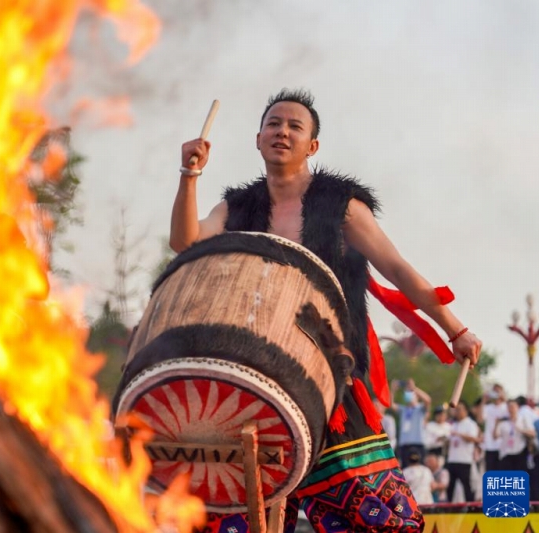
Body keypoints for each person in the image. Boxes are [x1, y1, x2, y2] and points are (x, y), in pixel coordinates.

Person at [171, 89, 483, 532]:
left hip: (331, 381)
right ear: (258, 139)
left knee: (379, 520)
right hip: (254, 381)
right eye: (273, 124)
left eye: (294, 126)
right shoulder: (237, 207)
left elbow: (398, 270)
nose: (282, 132)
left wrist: (455, 330)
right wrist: (190, 174)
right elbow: (185, 242)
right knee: (237, 519)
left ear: (312, 146)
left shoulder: (342, 207)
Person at [446, 400, 480, 502]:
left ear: (466, 410)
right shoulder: (453, 424)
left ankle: (471, 508)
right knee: (450, 487)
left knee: (467, 487)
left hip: (464, 460)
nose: (457, 412)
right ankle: (449, 508)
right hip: (452, 459)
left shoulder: (470, 424)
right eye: (456, 410)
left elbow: (473, 439)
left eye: (459, 409)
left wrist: (459, 434)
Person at [395, 379, 432, 468]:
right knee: (405, 470)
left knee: (419, 469)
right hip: (404, 445)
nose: (408, 395)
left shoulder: (420, 408)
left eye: (410, 393)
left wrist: (414, 388)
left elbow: (428, 400)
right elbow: (390, 404)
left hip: (418, 444)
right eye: (407, 393)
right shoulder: (403, 409)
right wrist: (393, 390)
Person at [494, 398, 535, 471]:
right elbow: (495, 436)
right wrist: (496, 424)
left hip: (520, 452)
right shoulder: (503, 421)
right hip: (506, 453)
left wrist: (521, 430)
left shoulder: (523, 420)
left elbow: (532, 433)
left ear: (518, 407)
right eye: (509, 407)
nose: (511, 409)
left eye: (513, 406)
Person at [482, 386, 508, 472]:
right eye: (494, 391)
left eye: (498, 391)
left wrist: (504, 398)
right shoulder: (488, 407)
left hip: (503, 446)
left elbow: (512, 415)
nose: (496, 394)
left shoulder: (506, 407)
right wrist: (483, 400)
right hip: (490, 445)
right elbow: (480, 418)